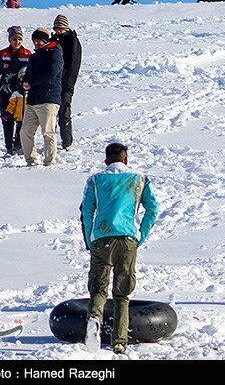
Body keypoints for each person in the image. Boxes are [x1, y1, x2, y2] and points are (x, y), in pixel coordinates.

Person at [81, 142, 159, 355]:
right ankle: (119, 343)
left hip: (101, 239)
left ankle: (94, 319)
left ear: (106, 161)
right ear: (126, 160)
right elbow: (153, 207)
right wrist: (141, 234)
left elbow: (86, 212)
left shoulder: (95, 180)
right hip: (127, 239)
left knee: (98, 288)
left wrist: (90, 239)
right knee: (122, 294)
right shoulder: (139, 180)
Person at [20, 28, 63, 166]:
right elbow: (28, 73)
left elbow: (52, 72)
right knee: (25, 131)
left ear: (45, 40)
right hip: (32, 100)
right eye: (35, 41)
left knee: (48, 132)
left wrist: (31, 83)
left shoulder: (55, 51)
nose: (37, 43)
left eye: (39, 40)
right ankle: (31, 160)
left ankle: (50, 162)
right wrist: (24, 82)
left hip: (48, 99)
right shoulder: (34, 56)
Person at [0, 26, 31, 155]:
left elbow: (31, 72)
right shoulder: (3, 54)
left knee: (21, 119)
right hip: (5, 91)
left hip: (21, 93)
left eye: (19, 39)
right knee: (7, 118)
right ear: (9, 40)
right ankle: (9, 146)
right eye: (14, 39)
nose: (16, 42)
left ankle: (18, 144)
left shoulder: (28, 54)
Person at [52, 15, 82, 150]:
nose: (58, 31)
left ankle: (67, 141)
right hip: (53, 82)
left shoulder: (72, 40)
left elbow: (73, 64)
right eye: (56, 28)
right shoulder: (53, 40)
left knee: (64, 111)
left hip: (66, 82)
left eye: (60, 28)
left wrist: (68, 82)